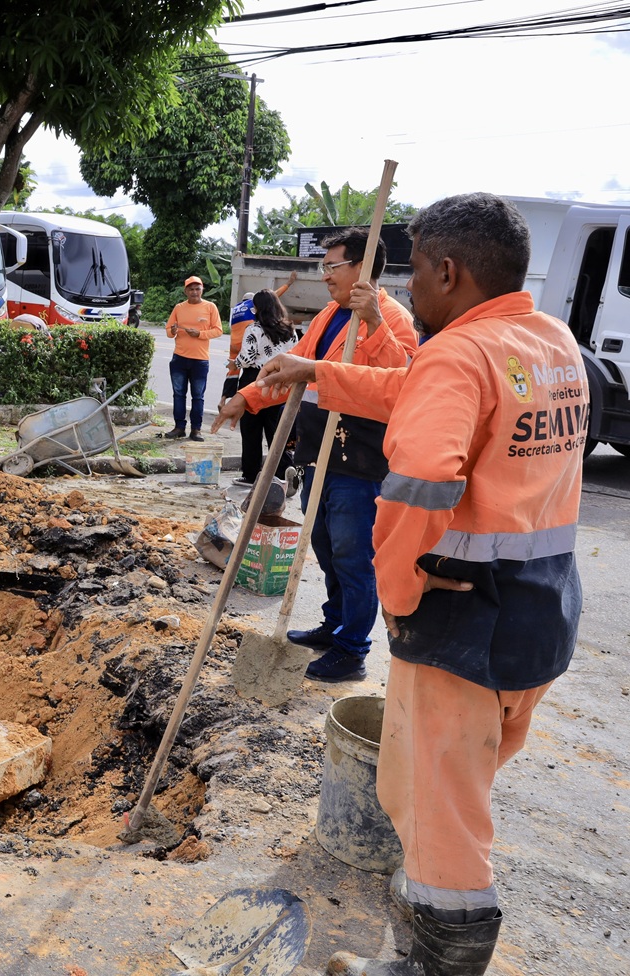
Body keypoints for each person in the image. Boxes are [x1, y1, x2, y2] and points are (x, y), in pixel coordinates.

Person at [255, 192, 585, 976]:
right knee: (458, 789)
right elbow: (414, 392)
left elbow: (421, 484)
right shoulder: (548, 343)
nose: (408, 289)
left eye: (417, 273)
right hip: (540, 611)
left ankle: (437, 958)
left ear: (449, 270)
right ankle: (434, 908)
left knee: (440, 815)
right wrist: (318, 370)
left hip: (462, 620)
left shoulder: (457, 355)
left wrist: (398, 597)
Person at [213, 227, 418, 682]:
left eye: (332, 266)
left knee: (353, 556)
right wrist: (246, 397)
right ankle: (334, 624)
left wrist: (375, 323)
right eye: (323, 267)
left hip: (359, 460)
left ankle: (352, 649)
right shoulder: (328, 314)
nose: (324, 275)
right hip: (318, 454)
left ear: (362, 267)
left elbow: (402, 380)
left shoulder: (392, 318)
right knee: (325, 547)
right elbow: (292, 369)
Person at [232, 288, 297, 487]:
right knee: (276, 430)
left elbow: (247, 358)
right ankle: (283, 472)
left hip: (255, 380)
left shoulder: (254, 329)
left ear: (258, 308)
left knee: (251, 430)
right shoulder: (290, 330)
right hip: (280, 381)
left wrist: (234, 363)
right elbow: (295, 355)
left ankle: (251, 475)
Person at [164, 275, 222, 441]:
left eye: (197, 289)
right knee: (178, 394)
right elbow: (169, 331)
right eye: (191, 289)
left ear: (202, 290)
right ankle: (179, 427)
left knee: (198, 397)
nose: (194, 292)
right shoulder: (179, 308)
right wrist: (173, 331)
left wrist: (200, 334)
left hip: (200, 361)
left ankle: (196, 429)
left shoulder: (210, 307)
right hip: (179, 359)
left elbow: (218, 330)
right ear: (186, 291)